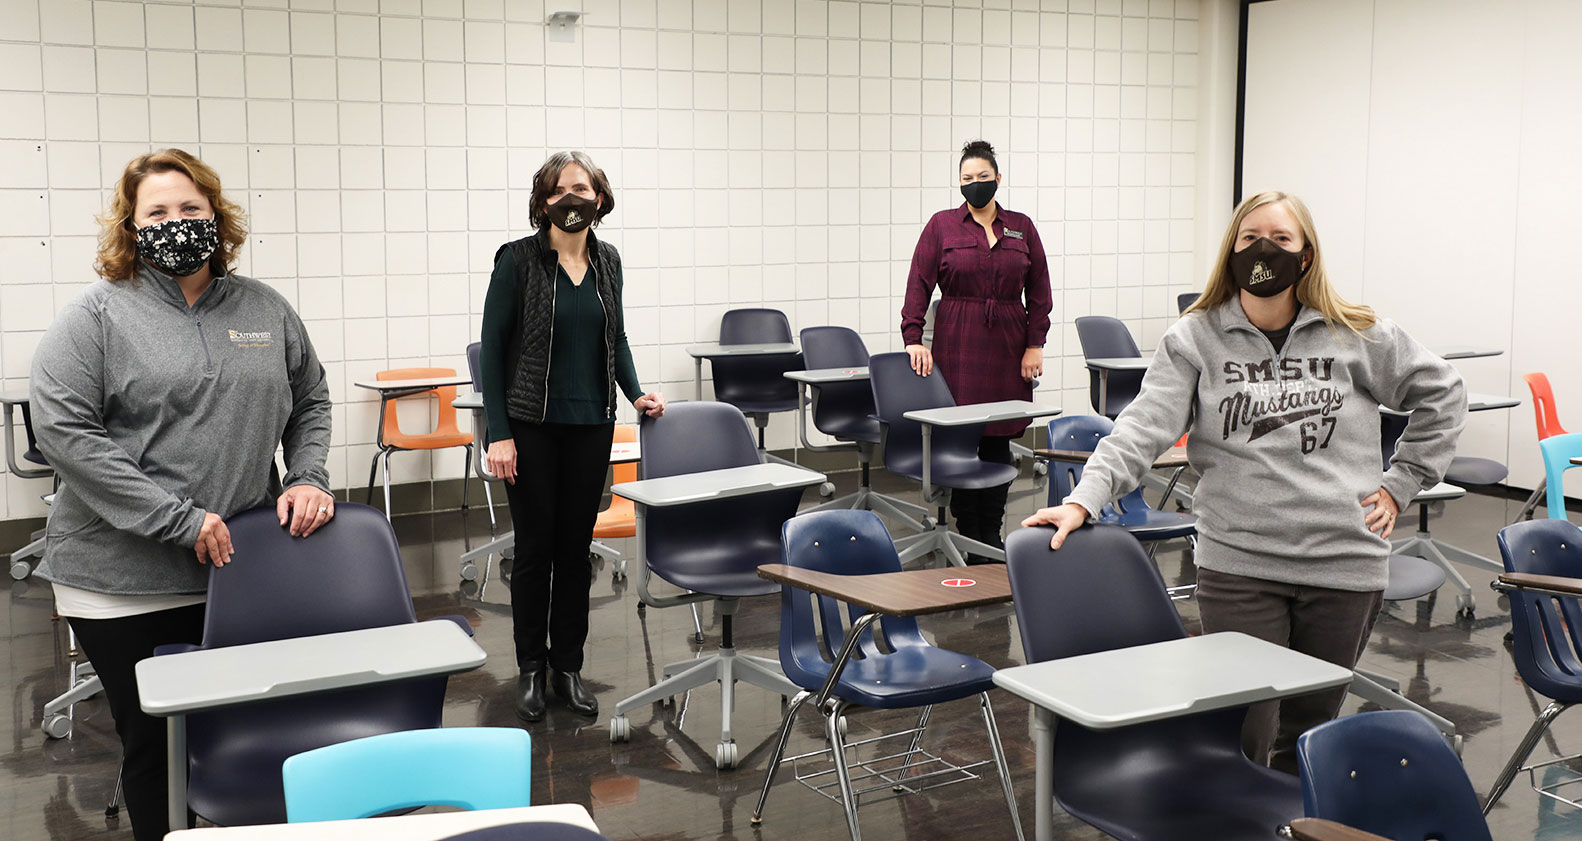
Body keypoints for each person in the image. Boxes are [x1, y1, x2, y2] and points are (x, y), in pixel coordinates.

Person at [1022, 190, 1468, 773]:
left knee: (1309, 734)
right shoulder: (1195, 337)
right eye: (1250, 238)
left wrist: (1403, 480)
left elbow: (1443, 393)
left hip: (1343, 563)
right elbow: (1141, 428)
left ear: (1306, 256)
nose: (1264, 251)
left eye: (1282, 240)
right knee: (1242, 729)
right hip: (1241, 565)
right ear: (1231, 250)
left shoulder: (1356, 333)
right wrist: (1084, 500)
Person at [30, 148, 334, 841]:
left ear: (216, 218)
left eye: (190, 208)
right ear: (131, 229)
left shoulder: (264, 307)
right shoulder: (98, 317)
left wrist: (310, 475)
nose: (176, 222)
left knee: (242, 730)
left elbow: (310, 398)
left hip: (237, 570)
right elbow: (64, 431)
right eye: (157, 212)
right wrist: (175, 518)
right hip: (121, 580)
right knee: (158, 743)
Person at [480, 151, 665, 723]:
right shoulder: (517, 261)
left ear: (600, 199)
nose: (571, 199)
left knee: (574, 552)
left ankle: (569, 668)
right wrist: (499, 434)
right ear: (543, 202)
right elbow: (491, 349)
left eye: (581, 189)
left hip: (591, 427)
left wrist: (635, 394)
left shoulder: (608, 261)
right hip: (530, 428)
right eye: (559, 191)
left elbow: (619, 339)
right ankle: (531, 670)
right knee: (535, 553)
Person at [900, 139, 1053, 563]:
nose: (975, 184)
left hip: (1008, 343)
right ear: (960, 183)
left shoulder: (1021, 227)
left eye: (983, 177)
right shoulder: (941, 226)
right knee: (965, 438)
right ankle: (969, 535)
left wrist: (1034, 344)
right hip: (958, 340)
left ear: (998, 179)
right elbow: (918, 283)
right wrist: (913, 337)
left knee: (998, 436)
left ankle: (990, 535)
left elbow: (1039, 292)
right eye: (967, 178)